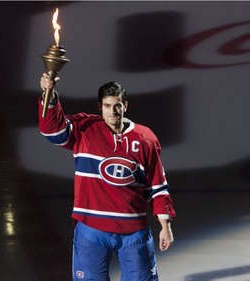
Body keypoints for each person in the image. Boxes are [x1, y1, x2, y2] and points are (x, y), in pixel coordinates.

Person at [39, 73, 176, 281]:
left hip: (134, 232)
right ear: (100, 107)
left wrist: (165, 226)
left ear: (125, 106)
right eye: (107, 106)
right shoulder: (85, 130)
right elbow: (52, 131)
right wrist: (49, 96)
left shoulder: (145, 139)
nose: (113, 111)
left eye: (117, 106)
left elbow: (157, 185)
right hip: (91, 230)